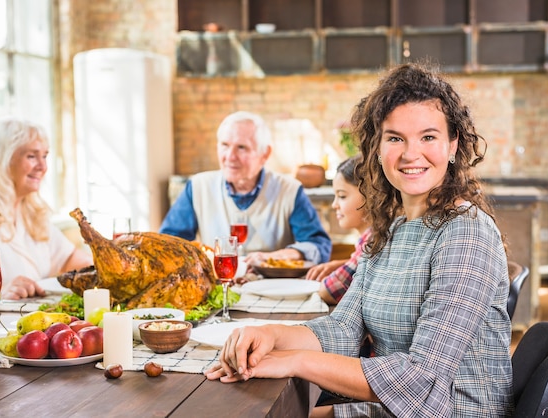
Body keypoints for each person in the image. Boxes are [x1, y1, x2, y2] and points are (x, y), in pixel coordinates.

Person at [205, 63, 513, 417]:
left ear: (452, 145)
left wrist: (293, 361)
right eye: (395, 138)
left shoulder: (466, 233)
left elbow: (420, 379)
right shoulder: (392, 229)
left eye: (428, 137)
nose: (412, 154)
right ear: (377, 150)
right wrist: (271, 334)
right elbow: (343, 328)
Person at [159, 111, 332, 266]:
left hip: (273, 290)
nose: (230, 157)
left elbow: (318, 247)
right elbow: (169, 245)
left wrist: (276, 257)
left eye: (241, 147)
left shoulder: (290, 190)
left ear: (265, 154)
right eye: (225, 145)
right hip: (217, 288)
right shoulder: (198, 186)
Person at [0, 117, 93, 300]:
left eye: (45, 156)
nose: (43, 166)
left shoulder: (32, 214)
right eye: (32, 156)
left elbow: (70, 258)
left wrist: (102, 270)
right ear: (1, 161)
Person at [305, 154, 371, 305]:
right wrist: (344, 263)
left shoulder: (371, 241)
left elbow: (329, 291)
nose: (335, 205)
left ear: (371, 196)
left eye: (342, 196)